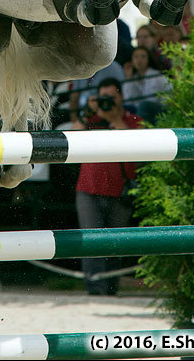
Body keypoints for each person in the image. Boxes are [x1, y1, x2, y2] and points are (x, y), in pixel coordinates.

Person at [72, 77, 143, 296]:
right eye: (103, 98)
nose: (107, 103)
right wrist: (86, 114)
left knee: (115, 245)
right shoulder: (91, 120)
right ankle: (94, 290)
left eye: (111, 98)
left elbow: (137, 151)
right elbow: (72, 138)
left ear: (121, 97)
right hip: (88, 190)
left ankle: (111, 289)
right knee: (91, 242)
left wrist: (115, 120)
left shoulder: (132, 121)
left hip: (119, 193)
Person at [122, 46, 171, 123]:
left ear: (148, 59)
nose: (139, 60)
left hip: (162, 110)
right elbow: (128, 100)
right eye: (136, 57)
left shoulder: (156, 76)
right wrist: (128, 78)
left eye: (143, 56)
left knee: (144, 106)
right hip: (142, 110)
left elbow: (156, 100)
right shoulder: (134, 77)